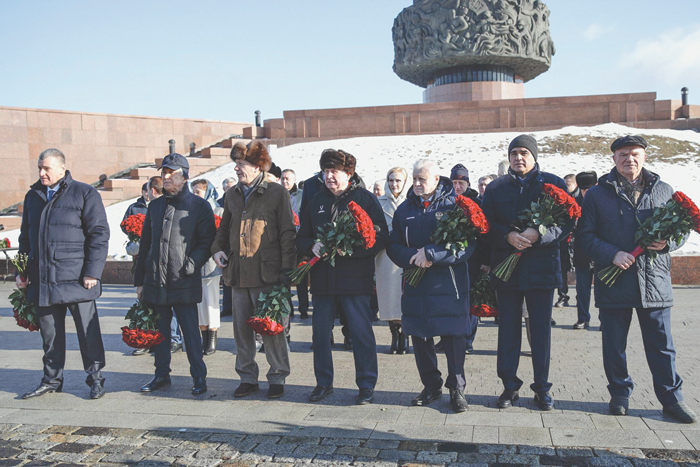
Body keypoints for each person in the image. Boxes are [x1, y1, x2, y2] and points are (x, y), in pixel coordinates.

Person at [577, 135, 697, 423]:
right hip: (614, 278)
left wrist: (668, 243)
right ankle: (619, 393)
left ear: (644, 157)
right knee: (614, 343)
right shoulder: (596, 194)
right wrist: (612, 254)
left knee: (662, 345)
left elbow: (682, 230)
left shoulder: (664, 190)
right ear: (614, 159)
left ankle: (671, 398)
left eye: (634, 154)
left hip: (653, 281)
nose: (629, 159)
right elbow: (584, 238)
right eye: (623, 154)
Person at [481, 134, 573, 411]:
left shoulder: (552, 184)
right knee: (508, 331)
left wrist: (538, 234)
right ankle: (509, 386)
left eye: (524, 153)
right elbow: (485, 225)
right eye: (514, 153)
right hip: (506, 269)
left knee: (540, 331)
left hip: (541, 269)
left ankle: (542, 388)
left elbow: (566, 222)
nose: (518, 158)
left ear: (534, 157)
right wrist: (507, 236)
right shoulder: (496, 188)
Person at [296, 149, 388, 405]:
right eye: (325, 171)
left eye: (334, 171)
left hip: (355, 279)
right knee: (320, 334)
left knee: (361, 334)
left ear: (348, 173)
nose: (328, 176)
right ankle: (323, 383)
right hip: (323, 280)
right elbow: (301, 236)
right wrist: (311, 246)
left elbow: (380, 237)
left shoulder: (365, 199)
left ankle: (367, 385)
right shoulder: (315, 201)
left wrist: (351, 249)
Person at [18, 148, 110, 400]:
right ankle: (51, 379)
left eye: (46, 168)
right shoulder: (33, 196)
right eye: (39, 167)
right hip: (44, 280)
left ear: (61, 168)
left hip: (78, 280)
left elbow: (99, 233)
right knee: (50, 335)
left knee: (87, 333)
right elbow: (24, 238)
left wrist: (93, 272)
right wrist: (23, 272)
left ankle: (96, 379)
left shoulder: (84, 193)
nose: (41, 173)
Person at [387, 159, 475, 413]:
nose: (415, 183)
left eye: (421, 179)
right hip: (416, 284)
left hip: (448, 285)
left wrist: (432, 254)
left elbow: (466, 245)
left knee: (454, 336)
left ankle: (456, 389)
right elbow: (393, 244)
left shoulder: (454, 206)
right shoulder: (404, 210)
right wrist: (412, 257)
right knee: (419, 335)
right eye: (413, 178)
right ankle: (431, 385)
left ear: (436, 180)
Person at [212, 142, 296, 400]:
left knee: (271, 329)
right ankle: (247, 377)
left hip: (268, 274)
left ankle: (278, 376)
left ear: (258, 166)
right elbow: (224, 231)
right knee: (241, 331)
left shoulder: (276, 193)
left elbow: (287, 233)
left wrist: (286, 271)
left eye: (241, 164)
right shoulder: (232, 195)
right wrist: (217, 250)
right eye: (235, 163)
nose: (236, 168)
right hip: (238, 274)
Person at [135, 153, 215, 396]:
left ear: (185, 176)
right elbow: (145, 243)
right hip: (156, 280)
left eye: (172, 173)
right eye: (164, 172)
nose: (166, 177)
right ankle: (161, 375)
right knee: (160, 333)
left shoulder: (199, 206)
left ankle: (199, 377)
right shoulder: (156, 205)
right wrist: (140, 280)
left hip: (183, 279)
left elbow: (207, 241)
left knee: (190, 332)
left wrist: (190, 265)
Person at [449, 164, 484, 355]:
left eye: (460, 183)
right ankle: (452, 337)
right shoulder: (446, 201)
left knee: (469, 301)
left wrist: (485, 261)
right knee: (453, 300)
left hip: (472, 259)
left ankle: (467, 339)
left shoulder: (476, 202)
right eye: (454, 182)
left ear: (467, 183)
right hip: (451, 259)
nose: (457, 186)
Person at [375, 167, 410, 354]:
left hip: (405, 255)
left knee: (404, 296)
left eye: (398, 181)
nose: (394, 184)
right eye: (391, 180)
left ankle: (405, 335)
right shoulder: (379, 202)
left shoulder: (411, 201)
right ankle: (394, 334)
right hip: (386, 257)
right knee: (389, 298)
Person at [191, 179, 223, 355]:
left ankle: (212, 336)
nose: (195, 195)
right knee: (199, 302)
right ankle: (203, 335)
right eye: (193, 191)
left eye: (199, 192)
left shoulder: (218, 210)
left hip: (211, 262)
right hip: (196, 261)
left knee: (211, 301)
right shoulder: (191, 211)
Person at [571, 171, 597, 330]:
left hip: (602, 253)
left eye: (590, 188)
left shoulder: (603, 201)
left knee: (603, 291)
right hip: (582, 253)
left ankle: (604, 319)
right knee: (582, 290)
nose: (586, 192)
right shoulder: (574, 203)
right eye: (583, 189)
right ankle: (583, 318)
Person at [282, 169, 308, 318]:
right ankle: (288, 307)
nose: (285, 182)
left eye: (288, 179)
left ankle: (303, 308)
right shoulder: (277, 194)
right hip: (284, 242)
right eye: (283, 179)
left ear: (294, 180)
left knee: (301, 276)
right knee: (285, 277)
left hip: (299, 240)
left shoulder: (301, 195)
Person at [218, 176, 238, 317]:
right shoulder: (219, 203)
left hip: (237, 243)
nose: (230, 190)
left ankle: (237, 306)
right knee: (226, 277)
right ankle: (227, 306)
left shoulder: (240, 200)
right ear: (224, 189)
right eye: (228, 187)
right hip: (225, 245)